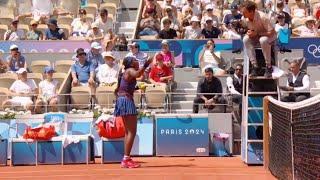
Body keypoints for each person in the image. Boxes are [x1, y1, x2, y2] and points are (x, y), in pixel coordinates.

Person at [114, 56, 152, 168]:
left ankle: (126, 158)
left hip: (122, 99)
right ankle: (126, 159)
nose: (137, 61)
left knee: (128, 132)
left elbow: (125, 86)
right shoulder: (130, 70)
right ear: (131, 63)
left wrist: (135, 88)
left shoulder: (126, 71)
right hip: (126, 100)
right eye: (135, 60)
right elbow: (138, 75)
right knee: (132, 132)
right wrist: (146, 64)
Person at [241, 1, 276, 78]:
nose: (242, 13)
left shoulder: (263, 17)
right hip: (256, 37)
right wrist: (249, 32)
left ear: (252, 11)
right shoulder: (245, 18)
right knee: (245, 39)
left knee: (263, 40)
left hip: (269, 37)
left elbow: (271, 32)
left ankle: (268, 66)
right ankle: (255, 66)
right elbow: (249, 29)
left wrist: (257, 34)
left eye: (244, 12)